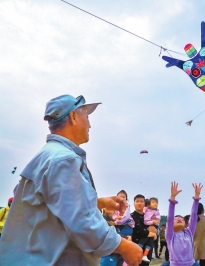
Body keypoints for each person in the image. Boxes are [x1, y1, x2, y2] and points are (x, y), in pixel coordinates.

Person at [0, 94, 141, 265]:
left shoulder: (46, 156)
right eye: (87, 116)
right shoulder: (64, 160)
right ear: (74, 116)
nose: (90, 124)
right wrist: (124, 246)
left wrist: (98, 202)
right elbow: (83, 222)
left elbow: (47, 206)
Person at [164, 181, 203, 266]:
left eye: (181, 219)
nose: (179, 219)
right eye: (176, 218)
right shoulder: (170, 235)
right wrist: (172, 198)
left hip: (191, 264)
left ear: (186, 224)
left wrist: (196, 198)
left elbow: (193, 215)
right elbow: (170, 217)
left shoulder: (189, 233)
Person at [131, 194, 158, 265]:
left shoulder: (148, 216)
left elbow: (155, 228)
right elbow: (140, 229)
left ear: (145, 204)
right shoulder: (131, 216)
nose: (139, 203)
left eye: (141, 201)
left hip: (148, 248)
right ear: (134, 203)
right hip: (135, 246)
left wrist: (154, 232)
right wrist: (152, 234)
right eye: (137, 201)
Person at [139, 197, 160, 262]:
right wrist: (153, 222)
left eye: (156, 202)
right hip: (148, 228)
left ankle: (145, 255)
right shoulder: (148, 211)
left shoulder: (156, 211)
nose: (155, 204)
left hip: (153, 228)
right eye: (153, 202)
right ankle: (138, 251)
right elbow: (146, 221)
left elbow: (158, 221)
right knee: (143, 240)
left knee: (150, 243)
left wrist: (156, 226)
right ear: (149, 205)